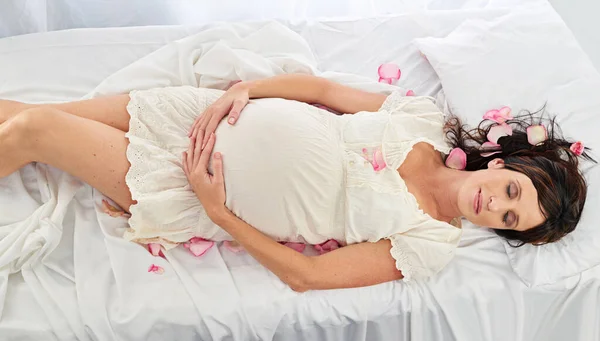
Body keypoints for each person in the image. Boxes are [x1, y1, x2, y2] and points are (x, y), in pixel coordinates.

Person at [0, 74, 592, 292]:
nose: (497, 207)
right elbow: (322, 92)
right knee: (14, 112)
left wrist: (217, 212)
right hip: (198, 114)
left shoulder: (429, 244)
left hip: (191, 186)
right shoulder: (425, 121)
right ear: (501, 165)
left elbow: (306, 276)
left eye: (511, 219)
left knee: (35, 128)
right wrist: (244, 91)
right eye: (514, 191)